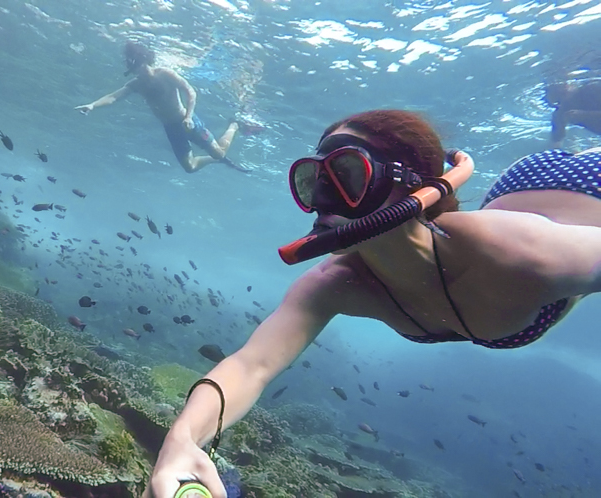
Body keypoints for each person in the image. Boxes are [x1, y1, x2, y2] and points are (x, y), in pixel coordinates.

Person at [145, 109, 601, 498]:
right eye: (313, 179)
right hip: (517, 190)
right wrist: (182, 439)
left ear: (412, 187)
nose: (323, 199)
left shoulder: (524, 254)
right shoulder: (336, 282)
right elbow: (251, 366)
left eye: (346, 175)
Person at [75, 41, 250, 173]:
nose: (140, 72)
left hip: (186, 120)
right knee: (189, 167)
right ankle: (216, 159)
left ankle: (234, 125)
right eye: (135, 69)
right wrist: (93, 105)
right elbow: (113, 97)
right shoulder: (136, 84)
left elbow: (190, 91)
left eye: (140, 66)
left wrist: (189, 117)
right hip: (171, 128)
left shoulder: (165, 74)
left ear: (146, 61)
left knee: (219, 153)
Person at [544, 79, 601, 148]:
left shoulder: (592, 89)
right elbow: (555, 143)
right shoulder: (560, 113)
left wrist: (585, 115)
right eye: (557, 101)